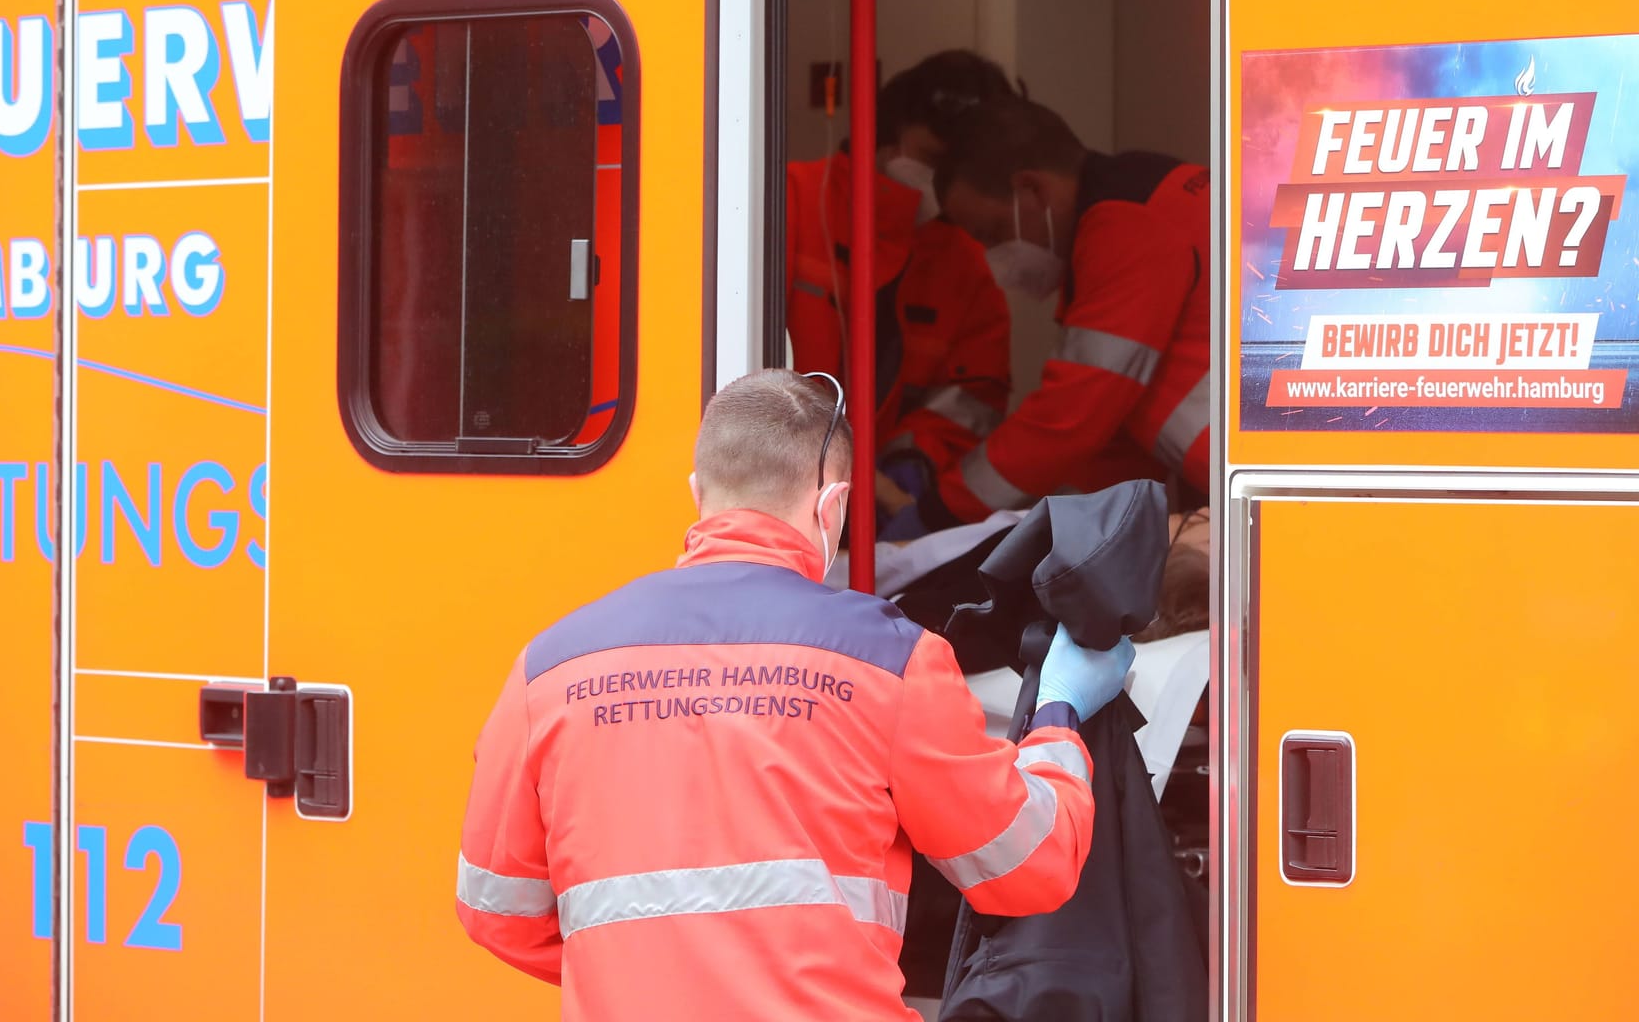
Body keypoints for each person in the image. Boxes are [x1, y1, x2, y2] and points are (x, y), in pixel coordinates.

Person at [456, 369, 1136, 1021]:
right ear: (831, 504)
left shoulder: (547, 668)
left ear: (698, 491)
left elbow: (497, 911)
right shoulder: (891, 659)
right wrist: (1058, 713)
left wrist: (652, 972)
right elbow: (1027, 867)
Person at [909, 97, 1212, 529]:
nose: (993, 257)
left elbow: (1072, 415)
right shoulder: (1148, 198)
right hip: (1267, 476)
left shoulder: (1126, 226)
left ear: (1032, 189)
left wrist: (941, 509)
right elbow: (1111, 440)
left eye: (992, 233)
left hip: (1281, 482)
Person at [786, 52, 1015, 523]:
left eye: (961, 165)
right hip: (768, 484)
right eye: (933, 160)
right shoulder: (790, 198)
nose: (944, 180)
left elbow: (971, 401)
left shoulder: (965, 264)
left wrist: (911, 465)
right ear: (885, 135)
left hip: (882, 509)